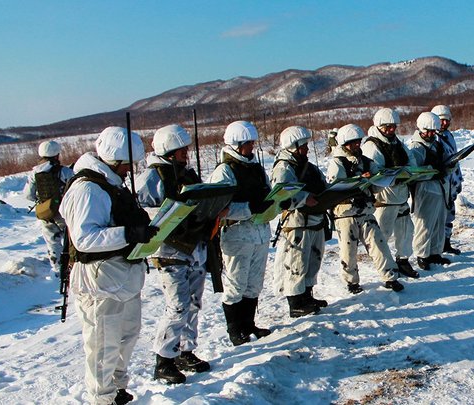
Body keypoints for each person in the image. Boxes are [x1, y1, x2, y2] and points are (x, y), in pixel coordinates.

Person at [60, 126, 157, 405]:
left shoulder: (111, 184)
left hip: (121, 279)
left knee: (126, 337)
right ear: (115, 160)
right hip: (99, 282)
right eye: (128, 163)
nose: (131, 169)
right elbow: (85, 238)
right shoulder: (88, 189)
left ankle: (116, 389)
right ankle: (102, 398)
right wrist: (129, 233)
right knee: (103, 345)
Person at [134, 124, 211, 384]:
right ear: (169, 150)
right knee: (177, 305)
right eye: (182, 150)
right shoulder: (152, 178)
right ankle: (163, 359)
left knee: (194, 304)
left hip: (194, 246)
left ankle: (186, 350)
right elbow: (145, 214)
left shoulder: (187, 174)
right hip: (170, 250)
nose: (186, 153)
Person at [208, 121, 273, 345]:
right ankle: (234, 328)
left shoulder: (256, 167)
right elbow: (219, 209)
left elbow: (267, 192)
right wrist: (249, 208)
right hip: (237, 236)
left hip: (260, 233)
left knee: (254, 283)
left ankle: (249, 323)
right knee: (236, 284)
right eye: (248, 143)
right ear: (236, 144)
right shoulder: (224, 171)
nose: (252, 147)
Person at [326, 124, 405, 293]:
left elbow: (377, 185)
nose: (356, 146)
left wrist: (378, 180)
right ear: (344, 144)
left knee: (379, 243)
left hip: (366, 210)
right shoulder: (337, 163)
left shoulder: (367, 162)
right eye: (352, 143)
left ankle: (390, 276)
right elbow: (334, 189)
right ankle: (351, 281)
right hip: (345, 213)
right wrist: (359, 180)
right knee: (348, 250)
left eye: (358, 142)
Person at [272, 126, 328, 317]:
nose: (307, 149)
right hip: (297, 222)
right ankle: (295, 301)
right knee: (297, 263)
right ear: (292, 146)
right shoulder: (284, 167)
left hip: (315, 219)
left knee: (313, 260)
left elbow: (323, 184)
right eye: (303, 146)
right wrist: (304, 198)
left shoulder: (309, 166)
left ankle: (307, 295)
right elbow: (281, 195)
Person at [361, 108, 420, 279]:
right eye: (387, 127)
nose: (391, 130)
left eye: (393, 127)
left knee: (406, 230)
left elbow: (411, 161)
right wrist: (394, 175)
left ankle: (403, 260)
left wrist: (406, 172)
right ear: (379, 126)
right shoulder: (372, 145)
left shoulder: (397, 143)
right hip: (384, 198)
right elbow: (375, 171)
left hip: (401, 195)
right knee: (382, 235)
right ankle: (384, 264)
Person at [408, 112, 452, 271]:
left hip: (440, 187)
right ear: (421, 129)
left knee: (439, 221)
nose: (432, 134)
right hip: (425, 189)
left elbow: (445, 160)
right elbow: (414, 171)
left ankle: (435, 252)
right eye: (429, 131)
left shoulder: (436, 144)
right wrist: (433, 171)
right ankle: (422, 254)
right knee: (425, 223)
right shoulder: (416, 147)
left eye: (434, 131)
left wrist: (448, 167)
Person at [24, 140, 74, 274]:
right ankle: (72, 264)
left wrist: (42, 202)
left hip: (46, 212)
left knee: (52, 242)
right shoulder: (65, 172)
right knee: (70, 239)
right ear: (57, 155)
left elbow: (28, 195)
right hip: (63, 210)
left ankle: (57, 269)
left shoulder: (34, 173)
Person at [431, 105, 464, 255]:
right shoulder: (434, 138)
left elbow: (455, 159)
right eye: (441, 120)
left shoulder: (449, 136)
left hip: (452, 182)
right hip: (441, 183)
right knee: (438, 216)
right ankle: (436, 246)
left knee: (449, 214)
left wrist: (458, 179)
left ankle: (446, 242)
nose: (444, 123)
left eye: (447, 120)